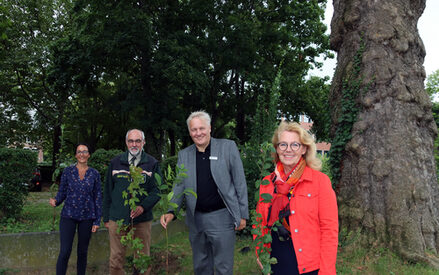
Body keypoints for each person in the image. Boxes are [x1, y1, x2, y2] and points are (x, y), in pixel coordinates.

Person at [160, 111, 248, 275]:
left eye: (202, 128)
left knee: (223, 267)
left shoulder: (227, 147)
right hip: (196, 219)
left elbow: (240, 182)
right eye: (194, 129)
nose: (198, 133)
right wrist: (171, 210)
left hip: (222, 217)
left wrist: (242, 214)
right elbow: (179, 186)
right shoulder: (184, 155)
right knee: (201, 266)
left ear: (209, 128)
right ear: (190, 132)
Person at [254, 121, 338, 275]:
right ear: (277, 148)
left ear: (304, 149)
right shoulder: (267, 182)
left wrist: (327, 271)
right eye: (283, 145)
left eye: (295, 145)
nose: (288, 150)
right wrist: (260, 252)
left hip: (308, 265)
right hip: (274, 262)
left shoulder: (320, 181)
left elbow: (329, 230)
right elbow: (260, 221)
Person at [103, 129, 161, 275]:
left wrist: (143, 206)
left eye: (137, 141)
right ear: (126, 143)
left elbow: (157, 190)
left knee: (142, 259)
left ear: (143, 143)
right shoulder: (115, 163)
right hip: (118, 219)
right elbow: (107, 191)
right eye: (131, 141)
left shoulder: (152, 163)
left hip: (141, 220)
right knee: (116, 259)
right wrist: (106, 218)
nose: (134, 144)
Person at [49, 143, 102, 275]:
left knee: (82, 252)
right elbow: (63, 192)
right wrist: (56, 200)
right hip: (68, 215)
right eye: (79, 152)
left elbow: (98, 198)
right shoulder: (68, 171)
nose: (82, 154)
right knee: (65, 251)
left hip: (87, 216)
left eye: (85, 151)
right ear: (76, 155)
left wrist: (97, 221)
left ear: (88, 155)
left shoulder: (95, 174)